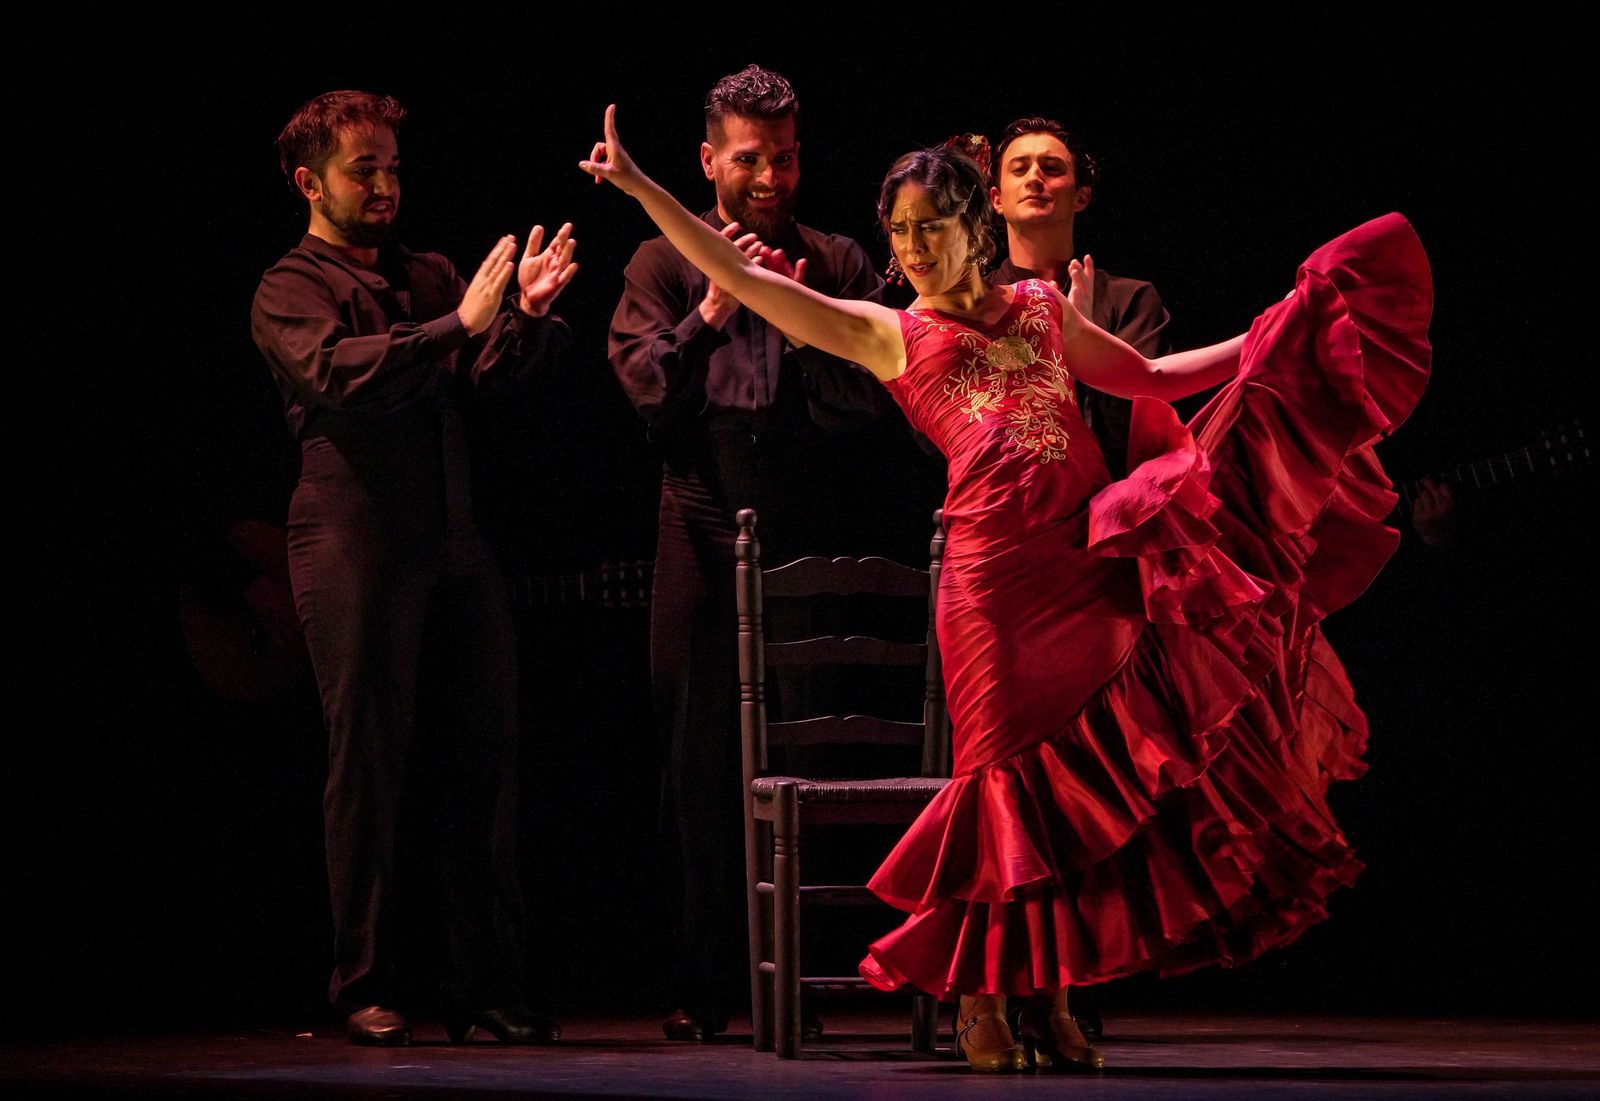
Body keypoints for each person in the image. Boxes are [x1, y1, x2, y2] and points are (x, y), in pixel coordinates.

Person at [582, 107, 1429, 1072]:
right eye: (898, 232)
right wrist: (645, 187)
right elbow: (737, 275)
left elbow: (1149, 374)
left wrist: (1267, 337)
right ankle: (983, 1001)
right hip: (992, 591)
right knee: (1004, 794)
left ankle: (1055, 1003)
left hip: (1080, 572)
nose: (911, 248)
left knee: (1072, 801)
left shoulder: (1036, 309)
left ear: (971, 229)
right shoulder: (888, 333)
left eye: (928, 228)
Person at [252, 90, 577, 1046]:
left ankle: (487, 986)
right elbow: (344, 375)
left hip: (452, 541)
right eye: (366, 169)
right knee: (371, 765)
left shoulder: (431, 272)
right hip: (354, 543)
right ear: (312, 182)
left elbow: (489, 381)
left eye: (394, 166)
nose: (387, 183)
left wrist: (522, 317)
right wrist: (460, 327)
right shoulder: (288, 286)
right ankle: (363, 983)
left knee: (485, 762)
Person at [607, 65, 885, 1042]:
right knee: (698, 764)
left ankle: (805, 977)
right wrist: (713, 311)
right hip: (697, 515)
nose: (769, 175)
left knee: (806, 756)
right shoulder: (661, 263)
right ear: (706, 162)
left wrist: (808, 337)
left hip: (799, 527)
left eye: (785, 155)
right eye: (748, 158)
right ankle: (705, 981)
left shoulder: (835, 258)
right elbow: (644, 395)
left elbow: (873, 412)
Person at [986, 116, 1170, 477]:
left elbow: (1134, 429)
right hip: (1005, 512)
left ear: (1081, 196)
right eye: (1019, 169)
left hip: (1107, 506)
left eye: (1051, 168)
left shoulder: (1130, 299)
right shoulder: (976, 303)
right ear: (996, 199)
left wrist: (1082, 336)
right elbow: (941, 435)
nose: (1034, 178)